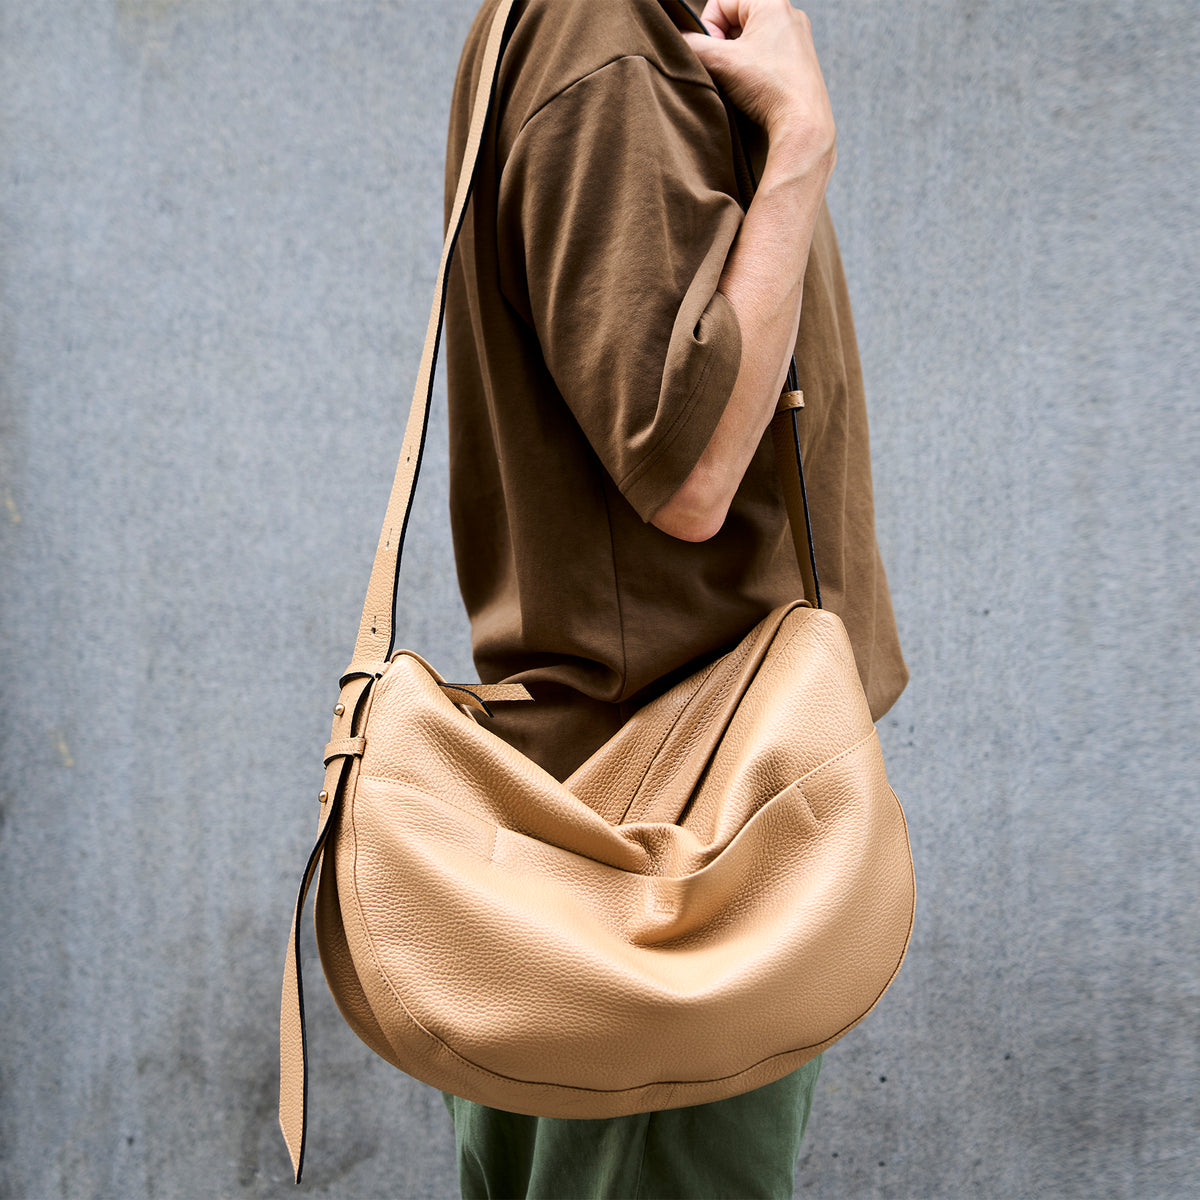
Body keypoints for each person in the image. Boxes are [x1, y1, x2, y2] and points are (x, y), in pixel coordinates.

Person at [438, 0, 908, 1195]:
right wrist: (799, 137)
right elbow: (691, 468)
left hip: (662, 822)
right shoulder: (613, 40)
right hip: (671, 858)